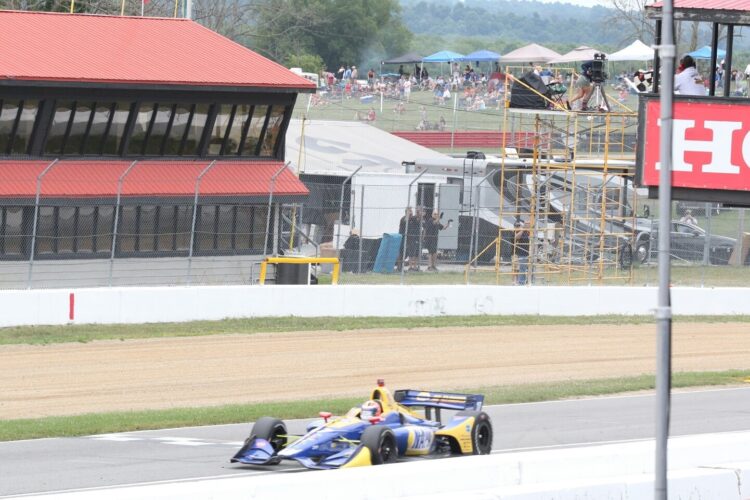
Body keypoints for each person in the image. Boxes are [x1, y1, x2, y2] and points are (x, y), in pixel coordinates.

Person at [513, 220, 530, 285]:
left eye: (528, 224)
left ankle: (527, 281)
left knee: (528, 268)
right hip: (521, 253)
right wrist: (523, 229)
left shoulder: (528, 232)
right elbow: (516, 237)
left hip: (528, 252)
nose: (527, 225)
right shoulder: (518, 231)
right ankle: (521, 282)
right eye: (526, 224)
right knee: (522, 268)